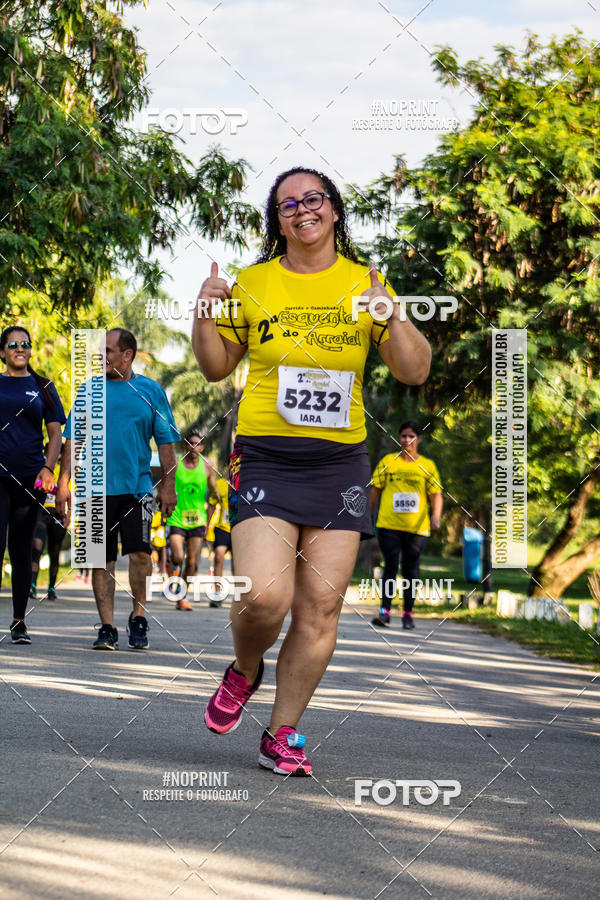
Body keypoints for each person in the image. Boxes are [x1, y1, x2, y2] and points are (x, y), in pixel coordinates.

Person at [192, 166, 431, 775]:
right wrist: (203, 310)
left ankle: (282, 732)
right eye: (288, 204)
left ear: (334, 209)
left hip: (338, 463)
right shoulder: (254, 283)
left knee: (321, 606)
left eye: (314, 199)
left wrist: (393, 314)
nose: (303, 210)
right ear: (278, 221)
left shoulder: (364, 284)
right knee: (266, 598)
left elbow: (414, 371)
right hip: (268, 454)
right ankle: (246, 668)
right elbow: (217, 366)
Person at [56, 328, 179, 650]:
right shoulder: (88, 391)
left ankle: (138, 616)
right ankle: (107, 626)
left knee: (140, 553)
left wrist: (169, 487)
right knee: (99, 559)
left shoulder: (150, 391)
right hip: (95, 489)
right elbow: (73, 441)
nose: (102, 357)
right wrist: (64, 484)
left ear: (128, 355)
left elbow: (166, 444)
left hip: (136, 487)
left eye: (109, 351)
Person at [0, 325, 66, 643]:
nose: (19, 348)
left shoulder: (44, 387)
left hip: (30, 479)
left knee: (22, 550)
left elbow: (55, 435)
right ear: (2, 352)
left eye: (25, 343)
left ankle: (18, 622)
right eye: (13, 344)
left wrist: (48, 468)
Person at [370, 420, 443, 629]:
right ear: (398, 438)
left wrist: (436, 516)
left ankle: (408, 614)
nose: (407, 440)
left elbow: (436, 494)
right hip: (388, 524)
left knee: (411, 570)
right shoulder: (388, 461)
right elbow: (374, 489)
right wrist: (365, 514)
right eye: (403, 436)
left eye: (411, 436)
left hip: (417, 528)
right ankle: (384, 612)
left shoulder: (427, 466)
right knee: (390, 567)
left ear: (418, 439)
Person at [166, 433, 216, 610]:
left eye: (198, 444)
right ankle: (171, 566)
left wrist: (216, 497)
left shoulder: (207, 466)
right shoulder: (176, 463)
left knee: (192, 562)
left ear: (202, 447)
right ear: (186, 446)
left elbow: (213, 491)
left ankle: (182, 595)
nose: (194, 447)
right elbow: (166, 483)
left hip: (198, 520)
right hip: (177, 518)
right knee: (178, 556)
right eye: (191, 444)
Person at [30, 446, 67, 601]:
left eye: (60, 452)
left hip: (58, 514)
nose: (57, 455)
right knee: (36, 548)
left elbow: (72, 494)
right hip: (41, 512)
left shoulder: (66, 473)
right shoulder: (41, 467)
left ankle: (51, 587)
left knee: (55, 552)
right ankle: (32, 585)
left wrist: (69, 515)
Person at [208, 473, 233, 608]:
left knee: (239, 564)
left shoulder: (247, 484)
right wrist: (206, 526)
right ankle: (217, 593)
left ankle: (242, 596)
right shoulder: (221, 484)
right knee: (219, 557)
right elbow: (212, 505)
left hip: (239, 528)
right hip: (222, 528)